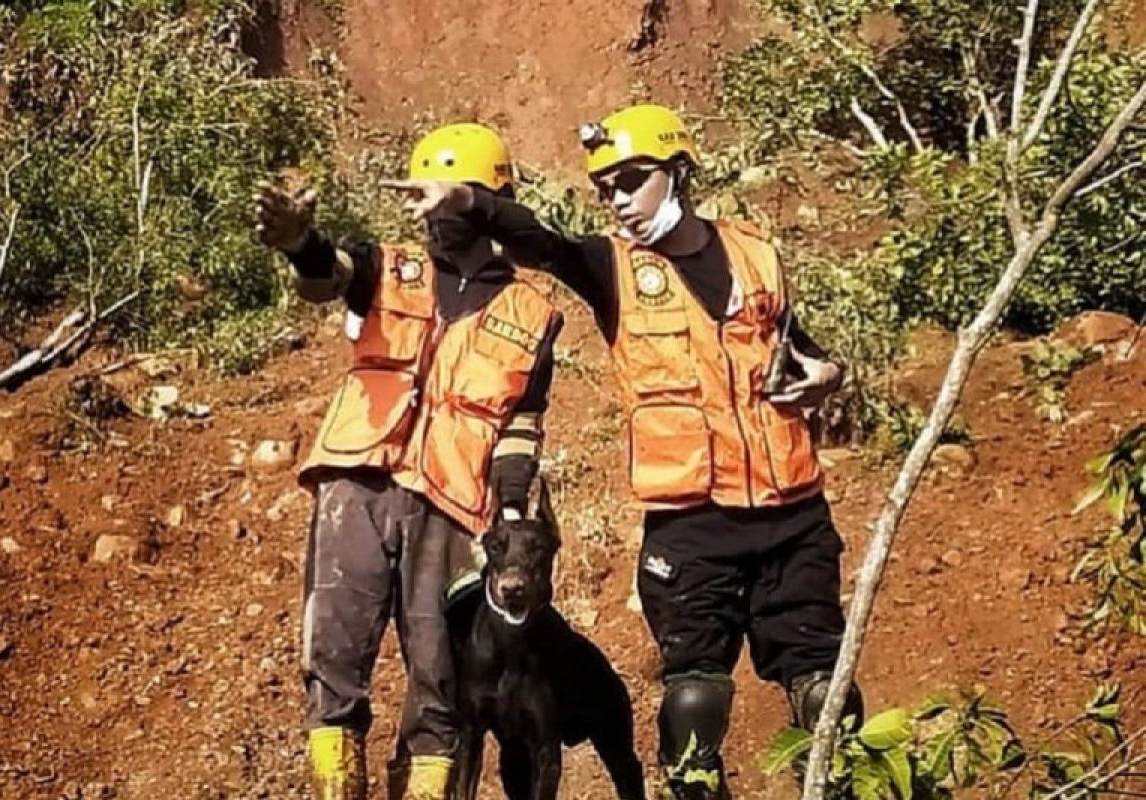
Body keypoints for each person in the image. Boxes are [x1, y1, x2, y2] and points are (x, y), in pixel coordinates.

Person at [384, 104, 863, 799]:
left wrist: (829, 374)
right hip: (691, 524)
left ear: (679, 171)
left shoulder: (759, 253)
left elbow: (798, 349)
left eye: (631, 180)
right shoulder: (610, 267)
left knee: (828, 692)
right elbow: (539, 241)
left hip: (794, 514)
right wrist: (470, 202)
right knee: (693, 704)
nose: (616, 200)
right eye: (604, 188)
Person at [254, 123, 563, 800]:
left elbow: (521, 426)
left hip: (451, 506)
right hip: (357, 483)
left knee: (440, 670)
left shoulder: (533, 312)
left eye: (436, 194)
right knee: (334, 645)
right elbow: (328, 275)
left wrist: (510, 513)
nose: (422, 210)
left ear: (484, 198)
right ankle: (340, 788)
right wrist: (299, 245)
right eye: (415, 195)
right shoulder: (390, 266)